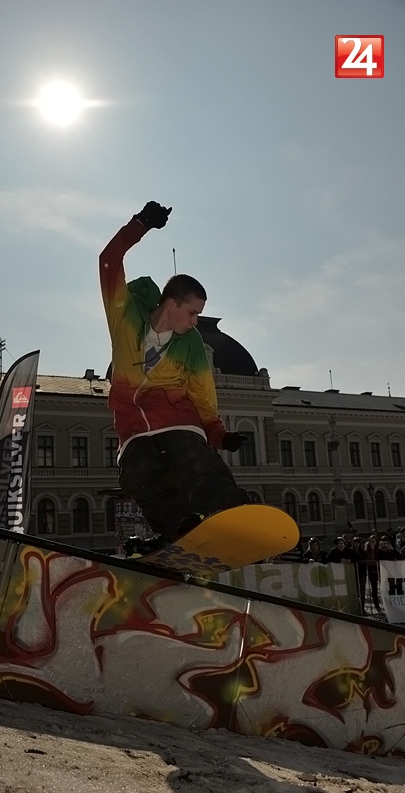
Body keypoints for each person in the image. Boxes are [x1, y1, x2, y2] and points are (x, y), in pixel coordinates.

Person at [99, 201, 250, 553]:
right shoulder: (123, 313)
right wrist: (139, 225)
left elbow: (202, 392)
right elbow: (108, 261)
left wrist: (217, 432)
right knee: (137, 474)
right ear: (171, 304)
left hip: (177, 419)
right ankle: (179, 530)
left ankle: (230, 512)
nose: (195, 321)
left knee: (189, 457)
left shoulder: (192, 342)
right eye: (192, 312)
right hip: (133, 426)